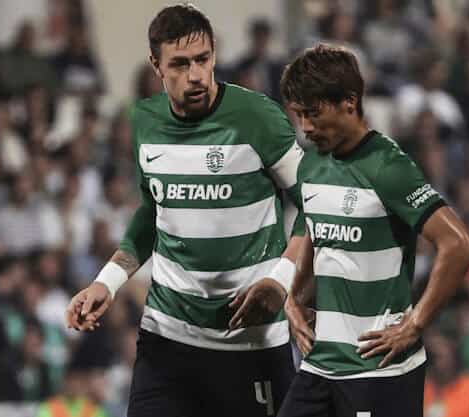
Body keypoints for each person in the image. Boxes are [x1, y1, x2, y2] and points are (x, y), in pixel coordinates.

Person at [65, 4, 306, 417]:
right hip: (167, 340)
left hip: (250, 343)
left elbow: (317, 202)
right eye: (179, 64)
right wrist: (107, 280)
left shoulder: (257, 118)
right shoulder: (144, 121)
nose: (196, 74)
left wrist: (280, 280)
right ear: (156, 66)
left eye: (203, 59)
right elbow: (152, 212)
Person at [278, 44, 469, 417]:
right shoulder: (312, 165)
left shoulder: (389, 168)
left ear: (349, 103)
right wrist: (293, 296)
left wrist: (415, 324)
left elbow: (459, 245)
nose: (305, 127)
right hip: (321, 363)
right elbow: (311, 226)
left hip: (379, 370)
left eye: (314, 113)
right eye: (299, 114)